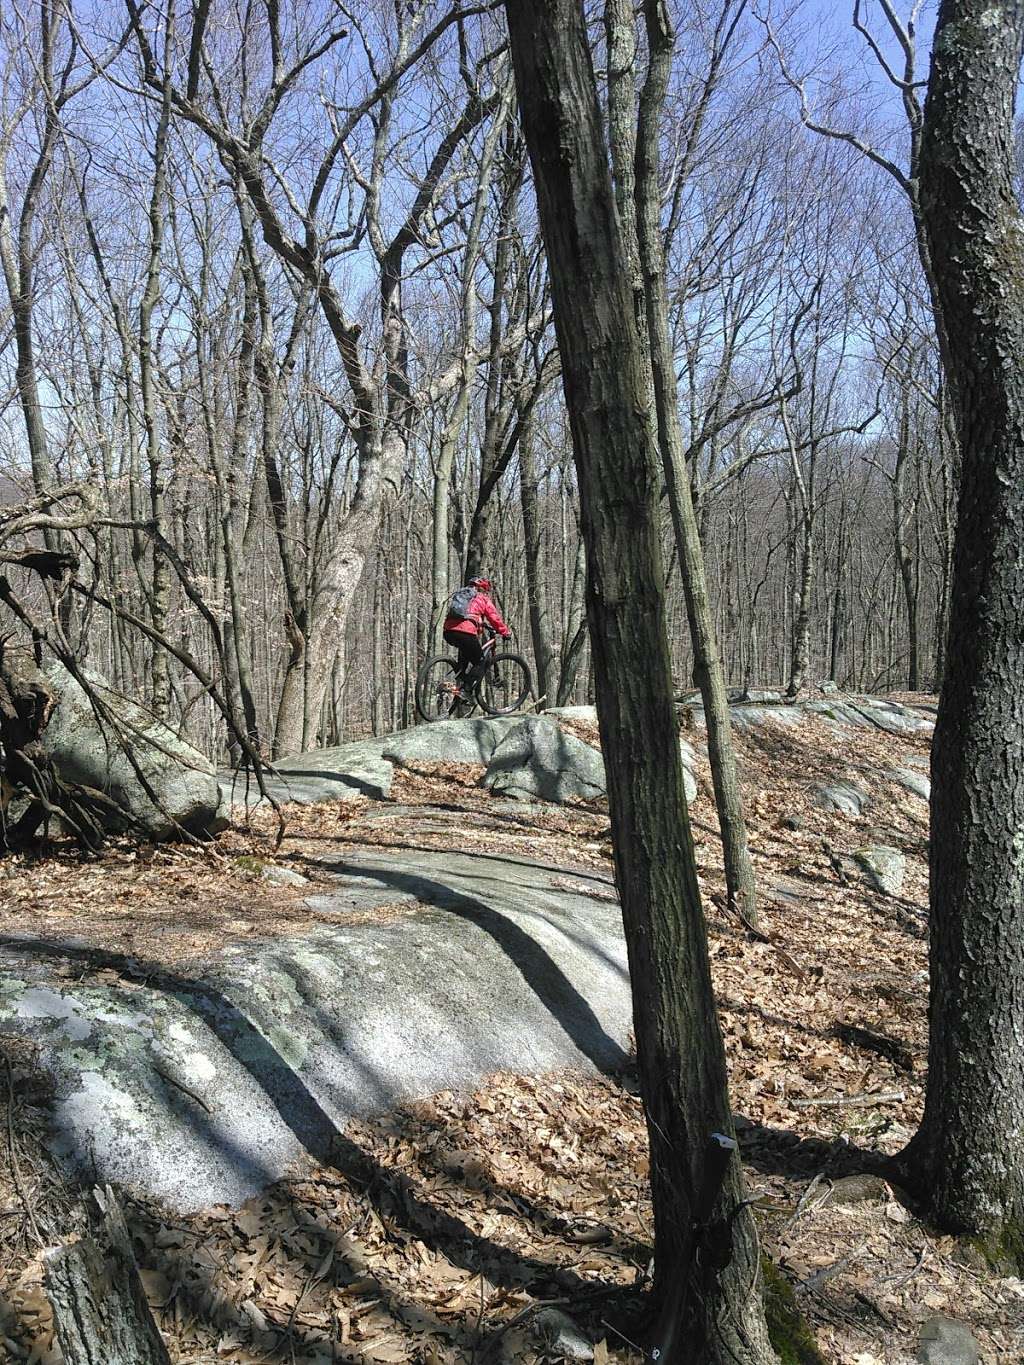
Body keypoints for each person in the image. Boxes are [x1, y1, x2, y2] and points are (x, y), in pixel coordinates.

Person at [443, 575, 511, 698]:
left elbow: (465, 615)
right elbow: (494, 618)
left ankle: (458, 683)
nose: (485, 592)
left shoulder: (460, 594)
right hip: (465, 632)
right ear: (482, 589)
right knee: (481, 662)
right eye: (485, 590)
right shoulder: (482, 598)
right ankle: (466, 691)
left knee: (466, 657)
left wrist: (480, 624)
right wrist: (505, 632)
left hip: (448, 631)